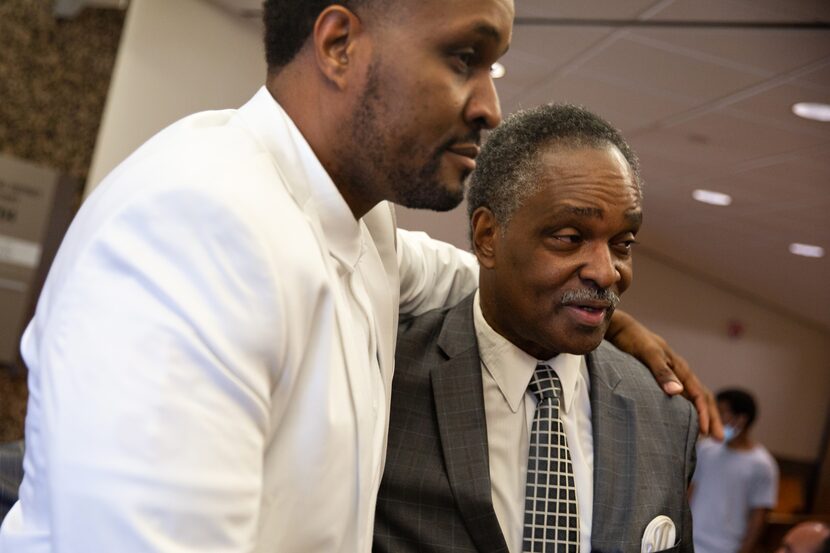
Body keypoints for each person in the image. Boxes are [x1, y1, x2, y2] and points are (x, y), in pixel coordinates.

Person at [0, 1, 716, 552]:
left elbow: (459, 274)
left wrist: (602, 309)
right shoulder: (196, 224)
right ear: (339, 45)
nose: (489, 107)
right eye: (465, 57)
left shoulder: (353, 222)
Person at [374, 104, 697, 553]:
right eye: (569, 238)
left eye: (622, 244)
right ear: (488, 236)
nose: (607, 273)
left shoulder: (666, 418)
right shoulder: (385, 376)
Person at [691, 388, 780, 553]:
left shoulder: (763, 464)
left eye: (722, 413)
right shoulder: (706, 449)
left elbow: (759, 516)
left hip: (726, 547)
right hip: (691, 540)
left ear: (741, 419)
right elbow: (691, 491)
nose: (715, 418)